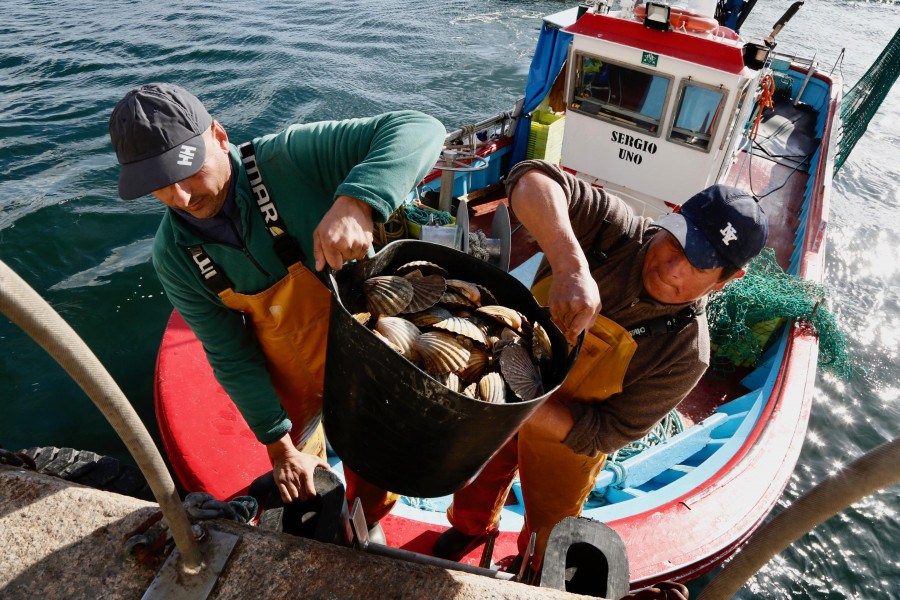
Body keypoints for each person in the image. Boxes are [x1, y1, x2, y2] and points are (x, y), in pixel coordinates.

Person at [109, 83, 445, 539]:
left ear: (220, 136)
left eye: (187, 171)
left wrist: (359, 199)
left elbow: (420, 128)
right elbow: (230, 353)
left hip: (371, 339)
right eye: (159, 188)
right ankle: (332, 521)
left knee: (378, 457)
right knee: (305, 474)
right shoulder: (174, 255)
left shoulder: (289, 158)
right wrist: (279, 445)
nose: (182, 199)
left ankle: (368, 519)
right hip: (290, 364)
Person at [432, 159, 769, 571]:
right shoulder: (616, 231)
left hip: (563, 438)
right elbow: (529, 177)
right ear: (671, 220)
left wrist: (518, 400)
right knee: (477, 474)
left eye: (698, 265)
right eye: (676, 244)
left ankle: (533, 563)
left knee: (552, 520)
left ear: (726, 279)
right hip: (497, 389)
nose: (670, 267)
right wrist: (569, 262)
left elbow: (607, 433)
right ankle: (471, 527)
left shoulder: (686, 354)